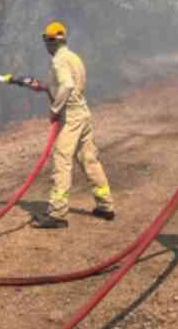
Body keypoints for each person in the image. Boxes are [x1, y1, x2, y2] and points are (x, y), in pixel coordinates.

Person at [24, 20, 115, 229]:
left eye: (46, 42)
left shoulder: (58, 61)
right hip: (83, 113)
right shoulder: (73, 57)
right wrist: (44, 87)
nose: (46, 46)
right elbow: (70, 86)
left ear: (50, 42)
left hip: (71, 117)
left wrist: (55, 110)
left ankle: (57, 213)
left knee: (61, 160)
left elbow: (67, 85)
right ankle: (105, 205)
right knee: (89, 160)